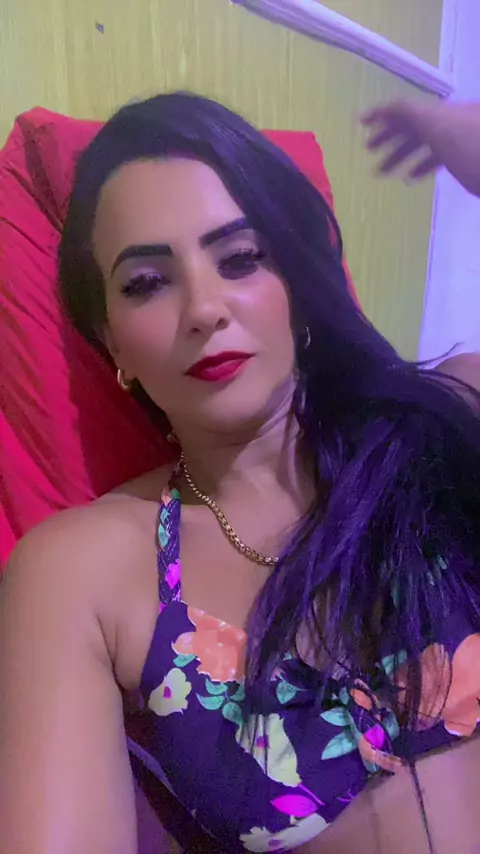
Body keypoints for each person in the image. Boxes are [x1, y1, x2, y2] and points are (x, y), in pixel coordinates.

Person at [1, 92, 480, 854]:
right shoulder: (83, 569)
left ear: (299, 284)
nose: (204, 308)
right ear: (112, 340)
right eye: (147, 282)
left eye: (241, 258)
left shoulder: (446, 423)